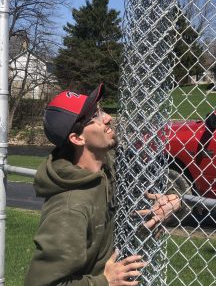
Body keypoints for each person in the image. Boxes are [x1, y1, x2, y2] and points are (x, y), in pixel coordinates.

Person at [25, 84, 181, 285]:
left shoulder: (111, 167)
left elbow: (155, 180)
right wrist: (104, 281)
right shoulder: (70, 208)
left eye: (100, 110)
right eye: (95, 116)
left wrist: (174, 199)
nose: (107, 117)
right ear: (77, 138)